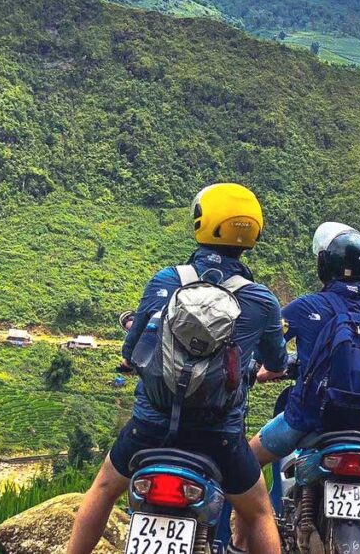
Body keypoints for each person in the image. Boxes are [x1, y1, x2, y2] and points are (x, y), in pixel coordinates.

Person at [67, 183, 288, 554]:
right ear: (253, 232)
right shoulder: (261, 299)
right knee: (260, 514)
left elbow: (132, 346)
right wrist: (266, 369)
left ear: (201, 222)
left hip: (151, 426)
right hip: (219, 436)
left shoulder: (166, 280)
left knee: (103, 491)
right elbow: (278, 361)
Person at [229, 223, 360, 552]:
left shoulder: (306, 307)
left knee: (248, 462)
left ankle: (240, 544)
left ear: (326, 265)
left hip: (308, 419)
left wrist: (266, 369)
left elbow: (270, 345)